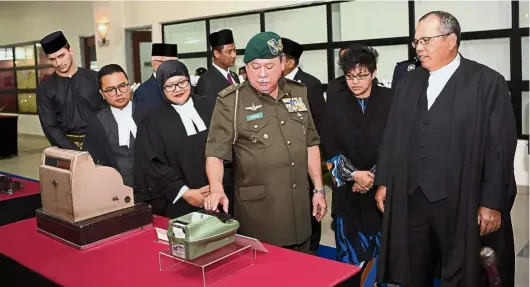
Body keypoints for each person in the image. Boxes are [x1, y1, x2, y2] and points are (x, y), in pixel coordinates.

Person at [375, 11, 517, 287]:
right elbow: (391, 136)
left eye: (426, 40)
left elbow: (499, 147)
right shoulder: (408, 82)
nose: (419, 48)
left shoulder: (486, 83)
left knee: (462, 271)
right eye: (416, 42)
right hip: (412, 197)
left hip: (462, 199)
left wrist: (491, 201)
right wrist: (383, 180)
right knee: (413, 268)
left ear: (451, 40)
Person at [203, 32, 327, 253]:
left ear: (282, 63)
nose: (261, 75)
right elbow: (215, 152)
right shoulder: (231, 101)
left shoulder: (298, 92)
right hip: (261, 217)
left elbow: (310, 143)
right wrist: (216, 187)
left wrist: (318, 190)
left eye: (268, 67)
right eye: (254, 66)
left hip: (300, 212)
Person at [321, 44, 392, 286]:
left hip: (383, 192)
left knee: (388, 259)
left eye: (362, 75)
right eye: (350, 76)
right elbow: (329, 146)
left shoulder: (390, 100)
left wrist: (373, 177)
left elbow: (396, 143)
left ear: (373, 73)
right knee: (349, 263)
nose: (355, 82)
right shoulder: (335, 103)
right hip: (348, 195)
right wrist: (354, 175)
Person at [133, 60, 216, 218]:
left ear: (189, 81)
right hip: (179, 201)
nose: (177, 89)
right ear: (161, 88)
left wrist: (217, 185)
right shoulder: (152, 119)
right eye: (170, 85)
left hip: (219, 193)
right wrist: (186, 193)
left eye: (182, 82)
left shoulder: (210, 106)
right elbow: (153, 163)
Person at [281, 37, 326, 254]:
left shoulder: (310, 84)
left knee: (310, 206)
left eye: (280, 59)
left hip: (305, 155)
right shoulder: (272, 83)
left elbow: (319, 122)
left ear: (290, 62)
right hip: (281, 159)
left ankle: (312, 248)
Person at [37, 31, 106, 150]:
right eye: (52, 59)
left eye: (61, 56)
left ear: (70, 51)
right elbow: (50, 127)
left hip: (101, 143)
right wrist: (72, 151)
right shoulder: (45, 89)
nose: (58, 63)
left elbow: (106, 112)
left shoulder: (95, 78)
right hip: (66, 149)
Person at [83, 64, 149, 187]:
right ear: (102, 93)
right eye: (110, 90)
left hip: (150, 186)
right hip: (114, 188)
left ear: (129, 85)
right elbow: (91, 158)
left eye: (122, 86)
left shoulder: (148, 113)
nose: (118, 93)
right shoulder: (96, 121)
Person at [195, 29, 240, 100]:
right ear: (217, 54)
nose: (234, 55)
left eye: (234, 50)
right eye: (229, 52)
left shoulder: (234, 76)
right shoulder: (206, 80)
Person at [133, 43, 178, 108]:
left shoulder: (183, 86)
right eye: (170, 63)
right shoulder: (142, 92)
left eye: (176, 62)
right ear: (155, 64)